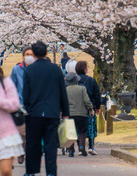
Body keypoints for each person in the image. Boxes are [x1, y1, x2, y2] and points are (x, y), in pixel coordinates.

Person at [23, 41, 69, 176]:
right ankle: (51, 172)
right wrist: (65, 112)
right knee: (50, 144)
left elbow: (26, 93)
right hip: (52, 112)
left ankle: (31, 171)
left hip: (34, 112)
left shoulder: (29, 70)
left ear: (34, 54)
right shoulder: (55, 69)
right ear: (46, 53)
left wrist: (27, 108)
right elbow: (62, 92)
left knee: (32, 144)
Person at [10, 46, 34, 164]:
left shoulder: (37, 69)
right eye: (27, 54)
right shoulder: (16, 69)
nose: (29, 57)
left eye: (32, 54)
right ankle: (21, 152)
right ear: (23, 56)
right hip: (20, 106)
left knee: (32, 133)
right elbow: (12, 87)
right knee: (21, 132)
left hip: (35, 106)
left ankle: (29, 153)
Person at [65, 72, 94, 157]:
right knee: (82, 131)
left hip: (69, 114)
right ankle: (81, 146)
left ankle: (71, 151)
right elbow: (87, 101)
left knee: (70, 133)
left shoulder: (65, 90)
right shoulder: (82, 89)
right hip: (81, 113)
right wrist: (90, 109)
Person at [76, 60, 101, 155]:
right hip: (89, 107)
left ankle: (80, 147)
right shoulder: (91, 80)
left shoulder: (74, 80)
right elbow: (96, 94)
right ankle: (91, 146)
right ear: (84, 69)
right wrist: (97, 107)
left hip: (77, 108)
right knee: (91, 127)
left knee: (79, 128)